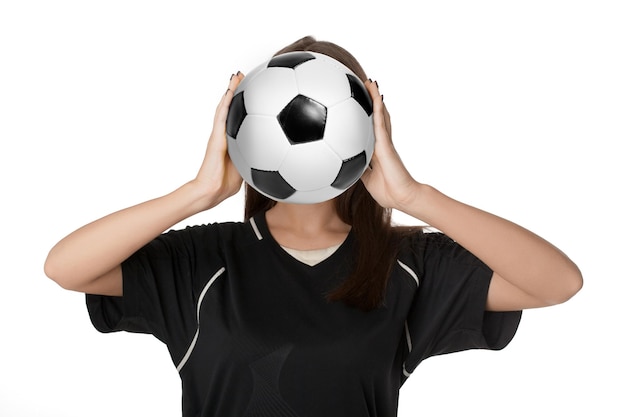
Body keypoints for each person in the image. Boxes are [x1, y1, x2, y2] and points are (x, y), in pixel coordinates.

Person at [44, 36, 583, 417]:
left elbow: (559, 283)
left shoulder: (408, 266)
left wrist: (414, 196)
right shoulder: (203, 259)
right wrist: (197, 194)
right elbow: (65, 268)